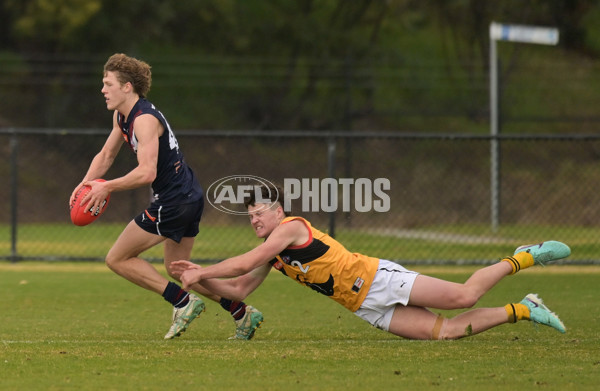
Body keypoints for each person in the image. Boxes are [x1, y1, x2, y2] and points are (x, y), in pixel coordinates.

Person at [170, 185, 571, 340]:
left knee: (465, 294)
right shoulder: (274, 253)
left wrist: (203, 268)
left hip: (380, 280)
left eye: (261, 212)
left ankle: (524, 256)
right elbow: (239, 288)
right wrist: (199, 281)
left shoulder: (290, 228)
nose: (255, 219)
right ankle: (524, 308)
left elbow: (244, 262)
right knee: (446, 333)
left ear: (279, 212)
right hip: (365, 306)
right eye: (251, 215)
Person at [69, 53, 263, 340]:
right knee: (177, 268)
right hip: (187, 195)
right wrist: (86, 183)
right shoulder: (122, 116)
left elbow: (146, 172)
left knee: (117, 258)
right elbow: (107, 154)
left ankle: (182, 302)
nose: (102, 89)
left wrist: (106, 186)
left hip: (174, 201)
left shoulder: (144, 120)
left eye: (108, 83)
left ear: (127, 87)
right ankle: (241, 312)